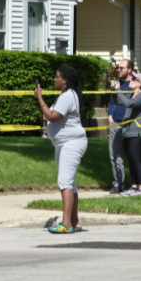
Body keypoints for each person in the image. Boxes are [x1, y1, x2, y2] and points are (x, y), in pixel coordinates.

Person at [35, 66, 88, 233]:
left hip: (71, 143)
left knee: (65, 181)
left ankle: (65, 224)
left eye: (57, 76)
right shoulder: (66, 95)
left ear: (65, 79)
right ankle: (74, 222)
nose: (54, 79)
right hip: (63, 144)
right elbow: (53, 116)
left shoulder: (67, 96)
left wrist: (40, 99)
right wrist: (47, 115)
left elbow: (53, 116)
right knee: (69, 182)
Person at [112, 72, 141, 196]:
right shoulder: (130, 94)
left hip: (137, 132)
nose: (131, 81)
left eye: (134, 79)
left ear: (140, 83)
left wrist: (118, 90)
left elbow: (129, 104)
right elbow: (118, 102)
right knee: (131, 160)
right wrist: (114, 91)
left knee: (136, 159)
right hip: (127, 132)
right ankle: (134, 187)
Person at [108, 59, 133, 194]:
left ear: (129, 69)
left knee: (132, 155)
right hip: (116, 123)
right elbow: (112, 101)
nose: (118, 70)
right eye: (118, 68)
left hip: (130, 124)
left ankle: (136, 184)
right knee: (115, 155)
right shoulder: (116, 84)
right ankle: (118, 184)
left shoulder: (135, 84)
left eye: (121, 68)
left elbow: (131, 103)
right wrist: (110, 117)